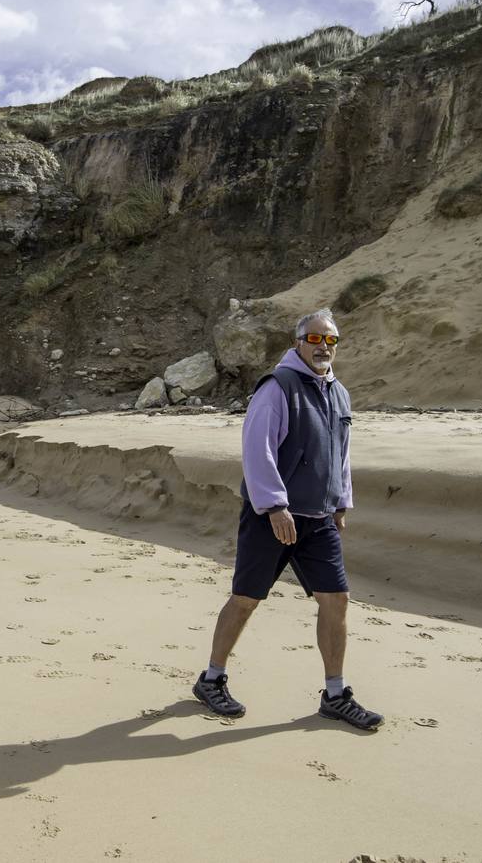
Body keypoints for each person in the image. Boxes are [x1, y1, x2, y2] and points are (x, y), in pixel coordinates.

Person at [192, 308, 383, 730]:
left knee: (336, 600)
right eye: (315, 339)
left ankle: (335, 694)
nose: (323, 347)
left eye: (330, 340)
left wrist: (340, 502)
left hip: (318, 518)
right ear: (298, 342)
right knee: (246, 599)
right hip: (271, 517)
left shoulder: (339, 393)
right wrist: (275, 506)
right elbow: (256, 449)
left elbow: (341, 453)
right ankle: (212, 678)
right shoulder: (277, 387)